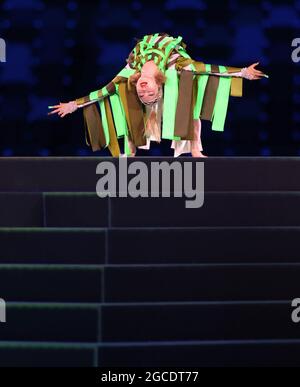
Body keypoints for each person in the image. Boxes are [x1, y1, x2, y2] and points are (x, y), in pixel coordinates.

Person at [49, 32, 266, 158]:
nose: (143, 89)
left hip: (162, 60)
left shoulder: (131, 70)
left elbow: (103, 91)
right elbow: (209, 68)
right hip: (174, 72)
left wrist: (74, 105)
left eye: (142, 92)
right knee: (188, 97)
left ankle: (195, 151)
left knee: (185, 104)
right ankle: (142, 150)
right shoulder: (178, 64)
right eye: (149, 92)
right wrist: (242, 73)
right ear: (158, 86)